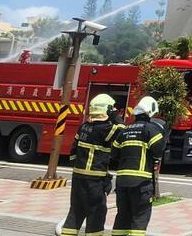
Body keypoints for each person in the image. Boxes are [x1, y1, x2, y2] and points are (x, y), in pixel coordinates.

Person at [61, 93, 125, 236]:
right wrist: (115, 115)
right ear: (106, 110)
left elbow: (73, 152)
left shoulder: (83, 127)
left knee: (76, 211)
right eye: (112, 108)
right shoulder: (106, 129)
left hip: (78, 177)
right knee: (96, 212)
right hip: (94, 180)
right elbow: (122, 129)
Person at [111, 96, 166, 236]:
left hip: (122, 182)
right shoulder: (151, 130)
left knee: (122, 216)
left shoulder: (124, 131)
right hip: (141, 183)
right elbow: (158, 151)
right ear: (151, 112)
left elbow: (114, 154)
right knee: (140, 217)